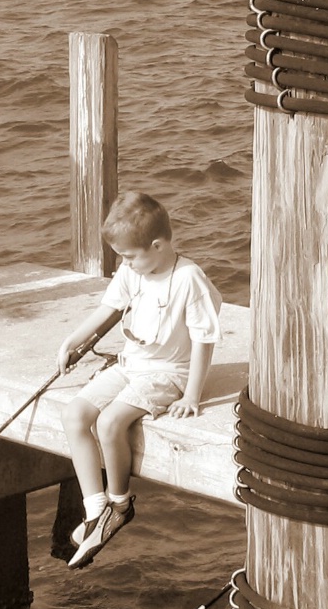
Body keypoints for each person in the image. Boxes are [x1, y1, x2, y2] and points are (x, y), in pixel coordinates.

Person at [57, 191, 222, 570]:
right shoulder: (133, 271)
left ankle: (120, 503)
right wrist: (72, 341)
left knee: (110, 422)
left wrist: (192, 394)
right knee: (75, 415)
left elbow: (204, 340)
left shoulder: (188, 278)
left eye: (130, 256)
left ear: (158, 246)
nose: (126, 264)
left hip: (169, 372)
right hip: (131, 364)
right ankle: (94, 507)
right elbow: (107, 309)